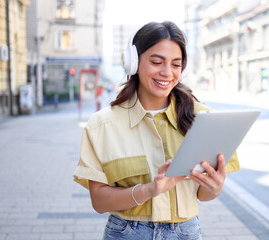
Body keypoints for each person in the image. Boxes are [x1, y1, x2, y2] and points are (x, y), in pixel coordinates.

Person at [73, 21, 240, 240]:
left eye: (175, 65)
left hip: (186, 233)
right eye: (156, 62)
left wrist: (215, 187)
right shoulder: (101, 125)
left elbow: (203, 195)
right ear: (133, 62)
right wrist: (149, 190)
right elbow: (100, 202)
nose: (167, 72)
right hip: (125, 233)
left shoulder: (203, 120)